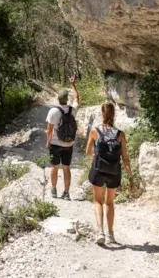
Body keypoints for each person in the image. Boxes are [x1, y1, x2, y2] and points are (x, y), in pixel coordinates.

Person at [84, 101, 135, 246]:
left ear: (102, 114)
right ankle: (111, 235)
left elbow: (88, 152)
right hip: (114, 171)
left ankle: (100, 232)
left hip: (98, 170)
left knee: (98, 201)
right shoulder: (120, 134)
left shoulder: (95, 131)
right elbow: (125, 158)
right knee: (110, 202)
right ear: (114, 115)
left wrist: (97, 159)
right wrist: (131, 178)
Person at [45, 77, 80, 199]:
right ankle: (66, 193)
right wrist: (73, 85)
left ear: (58, 99)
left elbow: (49, 129)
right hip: (68, 144)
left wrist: (48, 142)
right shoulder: (73, 110)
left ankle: (54, 190)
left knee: (54, 167)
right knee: (66, 168)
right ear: (67, 99)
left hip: (55, 144)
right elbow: (77, 98)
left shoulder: (53, 111)